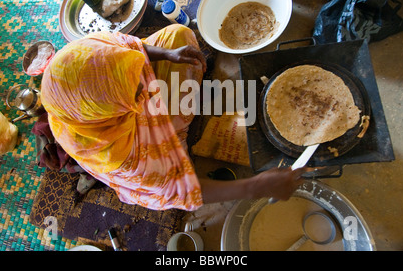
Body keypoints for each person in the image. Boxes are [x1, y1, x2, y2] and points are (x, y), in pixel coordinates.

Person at [41, 24, 306, 211]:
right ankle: (176, 142)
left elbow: (129, 47)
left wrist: (168, 54)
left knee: (179, 36)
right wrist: (256, 186)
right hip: (133, 143)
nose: (150, 87)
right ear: (102, 110)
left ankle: (140, 88)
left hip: (120, 108)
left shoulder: (83, 55)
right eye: (136, 93)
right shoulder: (116, 156)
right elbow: (177, 190)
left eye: (139, 77)